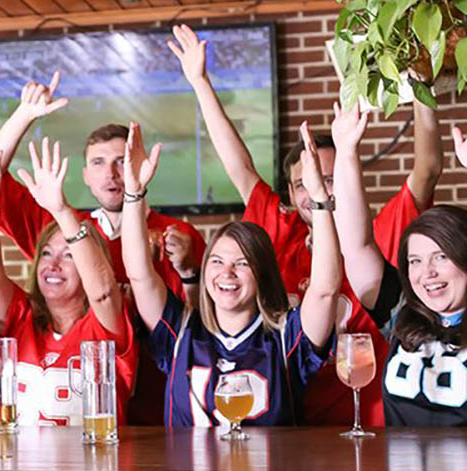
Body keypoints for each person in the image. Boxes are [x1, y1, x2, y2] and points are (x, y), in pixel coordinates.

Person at [167, 23, 443, 426]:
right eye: (304, 183)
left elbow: (428, 170)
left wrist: (422, 85)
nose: (317, 189)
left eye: (329, 179)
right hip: (291, 424)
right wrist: (200, 82)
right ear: (293, 192)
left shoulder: (378, 232)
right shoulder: (277, 231)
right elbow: (239, 168)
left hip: (369, 423)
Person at [0, 71, 207, 426]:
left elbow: (202, 330)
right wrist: (23, 115)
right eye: (98, 163)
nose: (111, 173)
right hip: (81, 407)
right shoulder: (59, 226)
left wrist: (190, 272)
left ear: (140, 166)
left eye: (121, 161)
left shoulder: (178, 237)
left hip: (162, 410)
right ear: (85, 175)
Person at [121, 120, 339, 427]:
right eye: (217, 261)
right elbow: (139, 275)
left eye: (242, 263)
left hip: (271, 462)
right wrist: (133, 194)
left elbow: (325, 290)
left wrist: (319, 202)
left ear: (263, 273)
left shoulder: (285, 337)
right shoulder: (181, 332)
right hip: (186, 462)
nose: (227, 273)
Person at [0, 131, 137, 426]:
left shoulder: (104, 326)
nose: (53, 264)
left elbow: (102, 292)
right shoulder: (19, 316)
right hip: (12, 456)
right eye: (47, 254)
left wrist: (61, 211)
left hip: (90, 455)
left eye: (68, 256)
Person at [331, 113, 467, 425]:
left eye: (440, 257)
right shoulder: (404, 314)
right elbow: (356, 246)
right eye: (415, 261)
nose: (426, 273)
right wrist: (346, 152)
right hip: (401, 459)